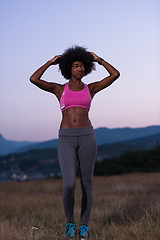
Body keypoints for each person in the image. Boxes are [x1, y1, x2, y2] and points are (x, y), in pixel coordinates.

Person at [30, 46, 120, 239]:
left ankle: (84, 227)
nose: (80, 69)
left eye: (82, 66)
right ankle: (70, 223)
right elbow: (34, 79)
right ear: (67, 68)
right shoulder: (59, 89)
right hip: (66, 139)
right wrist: (50, 62)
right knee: (69, 183)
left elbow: (115, 74)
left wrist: (99, 59)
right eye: (75, 65)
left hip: (87, 136)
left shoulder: (91, 88)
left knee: (87, 183)